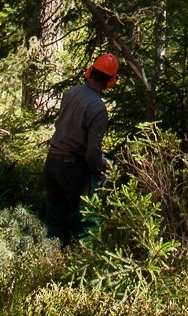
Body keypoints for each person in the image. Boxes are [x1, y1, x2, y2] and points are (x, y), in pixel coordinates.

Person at [43, 53, 119, 244]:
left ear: (91, 71)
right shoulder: (98, 109)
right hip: (73, 168)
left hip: (52, 162)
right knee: (85, 221)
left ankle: (49, 259)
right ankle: (82, 260)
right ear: (110, 80)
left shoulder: (71, 93)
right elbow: (92, 153)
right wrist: (102, 168)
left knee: (54, 218)